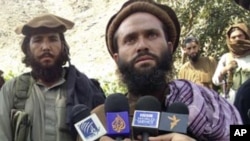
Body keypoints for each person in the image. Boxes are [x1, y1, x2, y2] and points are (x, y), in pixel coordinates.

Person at [90, 0, 242, 141]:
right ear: (117, 58)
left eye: (152, 35)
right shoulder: (98, 121)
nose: (142, 45)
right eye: (130, 39)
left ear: (169, 48)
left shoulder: (204, 102)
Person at [0, 14, 106, 141]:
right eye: (38, 40)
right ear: (28, 48)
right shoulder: (11, 90)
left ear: (62, 46)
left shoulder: (85, 89)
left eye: (52, 39)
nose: (46, 47)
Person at [212, 22, 250, 103]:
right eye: (233, 37)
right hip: (231, 104)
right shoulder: (226, 57)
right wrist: (225, 70)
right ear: (229, 40)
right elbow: (215, 80)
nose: (237, 39)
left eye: (240, 36)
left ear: (246, 36)